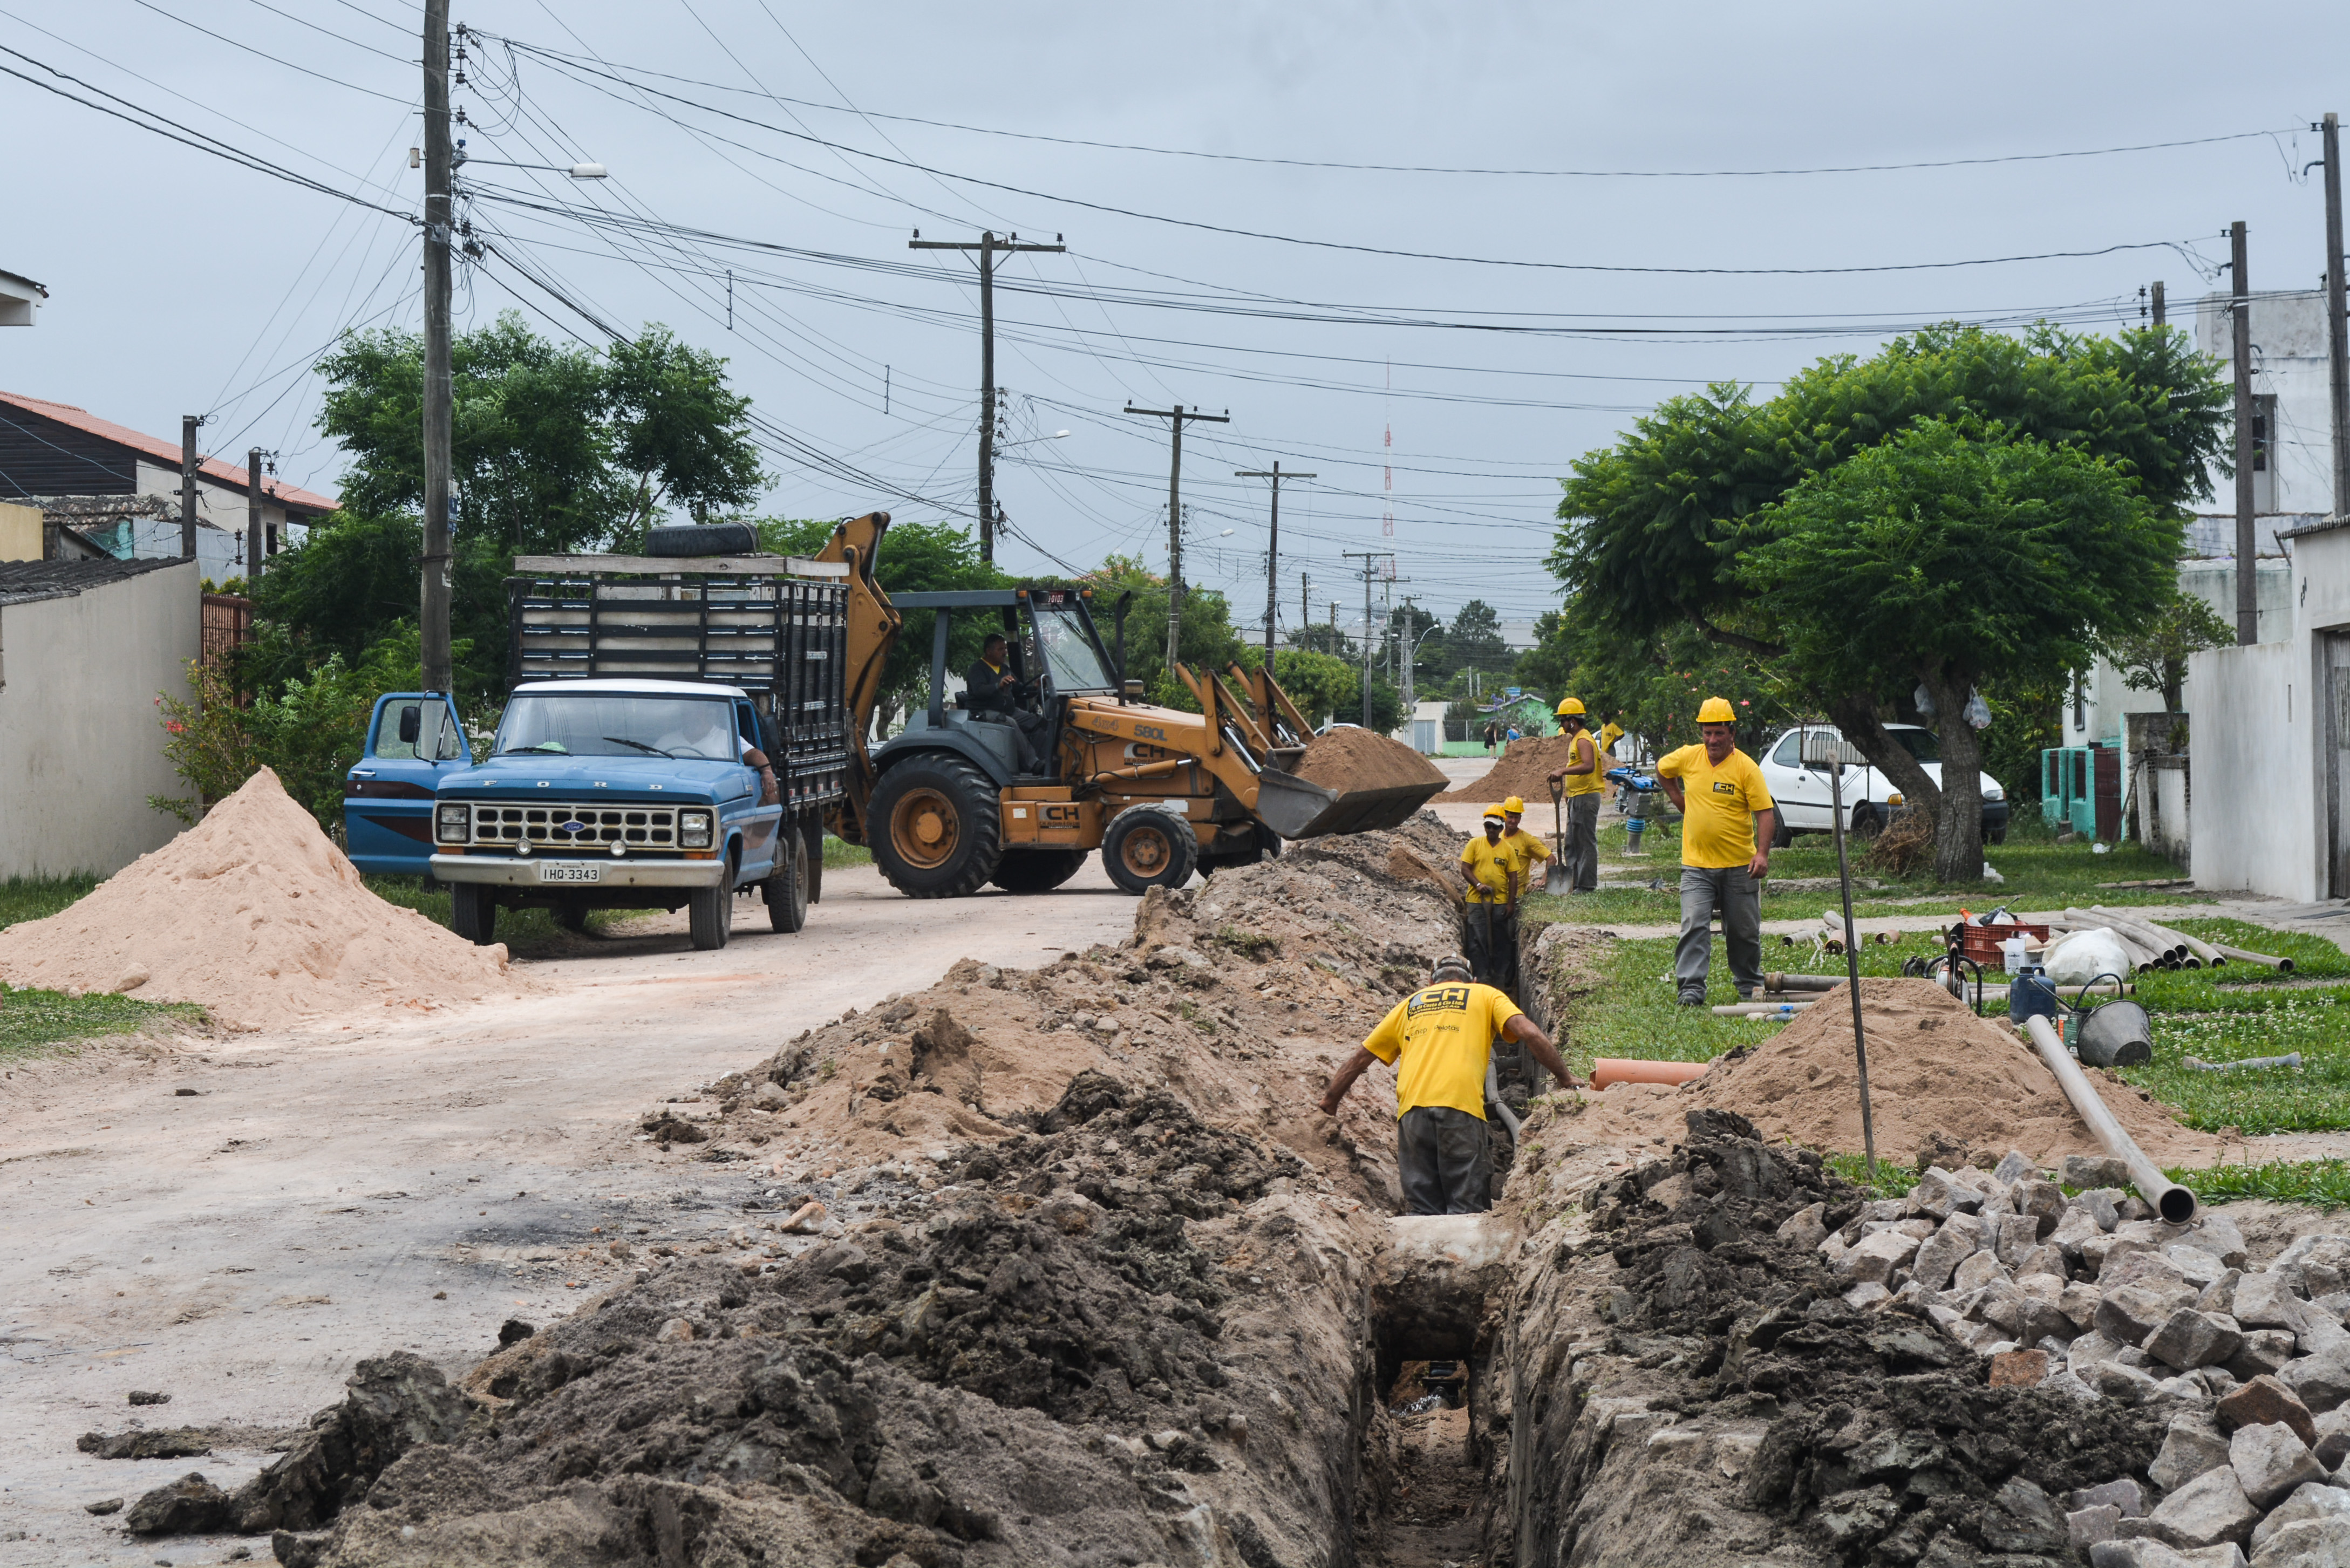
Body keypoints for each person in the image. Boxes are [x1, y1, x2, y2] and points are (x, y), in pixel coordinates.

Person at [1318, 954, 1578, 1215]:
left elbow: (1361, 1057)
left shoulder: (1409, 1004)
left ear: (1431, 982)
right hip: (1460, 1108)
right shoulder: (1485, 995)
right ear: (1472, 981)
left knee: (1422, 1207)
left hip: (1412, 1113)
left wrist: (1329, 1102)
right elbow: (1530, 1033)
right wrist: (1565, 1078)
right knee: (1467, 1206)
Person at [1656, 697, 1776, 1006]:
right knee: (1694, 924)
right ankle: (1691, 989)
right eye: (1707, 733)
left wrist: (1761, 855)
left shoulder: (1746, 768)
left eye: (1719, 733)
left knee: (1743, 931)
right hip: (1696, 865)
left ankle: (1749, 986)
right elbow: (1662, 770)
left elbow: (1765, 813)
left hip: (1740, 866)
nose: (1712, 740)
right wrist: (1679, 799)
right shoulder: (1688, 758)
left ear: (1731, 733)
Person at [964, 632, 1049, 773]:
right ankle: (1032, 764)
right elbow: (979, 691)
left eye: (1005, 649)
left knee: (1037, 721)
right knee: (1010, 723)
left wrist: (1035, 687)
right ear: (989, 651)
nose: (1005, 653)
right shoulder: (977, 669)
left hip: (1008, 711)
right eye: (1000, 649)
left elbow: (1018, 690)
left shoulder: (1005, 669)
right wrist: (999, 685)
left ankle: (1045, 762)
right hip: (983, 713)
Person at [1458, 807, 1521, 991]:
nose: (1491, 831)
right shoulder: (1475, 845)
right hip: (1477, 902)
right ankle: (1481, 978)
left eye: (1494, 827)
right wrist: (1478, 885)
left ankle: (1502, 978)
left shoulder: (1507, 849)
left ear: (1501, 828)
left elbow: (1513, 877)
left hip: (1500, 902)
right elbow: (1465, 868)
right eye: (1488, 827)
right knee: (1478, 940)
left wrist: (1511, 903)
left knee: (1502, 940)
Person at [1545, 698, 1603, 892]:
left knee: (1585, 842)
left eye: (1563, 720)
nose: (1561, 724)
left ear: (1573, 720)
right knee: (1572, 842)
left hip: (1586, 797)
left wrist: (1563, 772)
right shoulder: (1576, 739)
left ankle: (1586, 885)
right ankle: (1574, 882)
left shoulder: (1584, 739)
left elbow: (1589, 766)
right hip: (1577, 796)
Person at [1497, 794, 1549, 890]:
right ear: (1504, 816)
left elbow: (1551, 859)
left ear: (1520, 819)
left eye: (1516, 818)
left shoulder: (1527, 839)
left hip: (1517, 893)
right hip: (1500, 893)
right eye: (1511, 817)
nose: (1513, 821)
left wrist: (1544, 879)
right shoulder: (1499, 837)